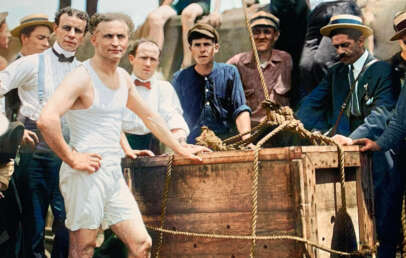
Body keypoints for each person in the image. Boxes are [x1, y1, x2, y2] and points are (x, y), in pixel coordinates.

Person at [37, 12, 208, 258]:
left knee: (141, 245)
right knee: (83, 247)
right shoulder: (81, 77)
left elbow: (150, 117)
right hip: (85, 174)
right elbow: (47, 118)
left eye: (121, 36)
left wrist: (181, 148)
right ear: (94, 39)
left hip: (112, 174)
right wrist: (73, 158)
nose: (115, 42)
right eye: (108, 36)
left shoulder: (123, 78)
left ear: (127, 41)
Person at [296, 14, 399, 257]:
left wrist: (352, 138)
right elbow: (311, 105)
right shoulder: (335, 74)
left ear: (361, 40)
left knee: (384, 218)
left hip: (377, 156)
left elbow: (382, 114)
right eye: (336, 47)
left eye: (345, 45)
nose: (340, 51)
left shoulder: (384, 71)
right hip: (344, 158)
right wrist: (301, 126)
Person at [0, 7, 89, 258]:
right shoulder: (31, 63)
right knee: (33, 226)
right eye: (67, 28)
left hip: (70, 156)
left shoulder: (86, 71)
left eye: (78, 31)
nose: (71, 34)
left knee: (66, 223)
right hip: (34, 154)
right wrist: (9, 129)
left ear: (83, 37)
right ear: (56, 30)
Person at [172, 23, 252, 144]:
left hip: (226, 142)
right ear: (190, 49)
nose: (202, 49)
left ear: (216, 48)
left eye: (207, 44)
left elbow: (240, 109)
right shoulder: (179, 78)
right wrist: (181, 144)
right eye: (197, 45)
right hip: (192, 144)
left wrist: (247, 141)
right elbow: (174, 114)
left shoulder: (230, 72)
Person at [123, 38, 190, 151]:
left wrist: (180, 140)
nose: (148, 64)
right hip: (121, 149)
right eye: (143, 58)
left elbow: (172, 116)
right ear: (131, 59)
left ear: (158, 62)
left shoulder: (164, 88)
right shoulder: (119, 85)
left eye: (153, 59)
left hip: (153, 150)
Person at [227, 11, 292, 126]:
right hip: (251, 129)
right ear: (250, 36)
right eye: (256, 32)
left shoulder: (285, 60)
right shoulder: (237, 62)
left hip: (280, 127)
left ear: (276, 35)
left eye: (267, 32)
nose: (261, 36)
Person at [5, 13, 53, 123]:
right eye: (41, 38)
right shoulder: (14, 68)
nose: (46, 44)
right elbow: (9, 108)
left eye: (48, 39)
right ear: (24, 38)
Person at [145, 0, 221, 68]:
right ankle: (152, 64)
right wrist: (162, 8)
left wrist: (216, 11)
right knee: (154, 17)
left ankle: (186, 65)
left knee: (187, 14)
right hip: (180, 4)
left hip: (200, 3)